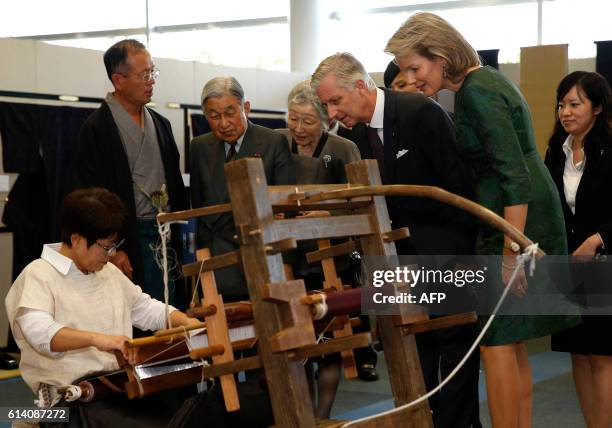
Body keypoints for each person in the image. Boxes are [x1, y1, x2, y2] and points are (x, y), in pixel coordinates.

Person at [386, 12, 580, 428]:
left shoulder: (477, 91)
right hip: (512, 220)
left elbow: (514, 175)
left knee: (494, 344)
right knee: (508, 344)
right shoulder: (482, 83)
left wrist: (513, 250)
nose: (413, 79)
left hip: (516, 223)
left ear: (440, 56)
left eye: (415, 68)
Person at [311, 53, 480, 428]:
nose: (332, 113)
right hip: (397, 267)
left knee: (455, 369)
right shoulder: (353, 135)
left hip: (448, 261)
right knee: (413, 366)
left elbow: (462, 190)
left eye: (335, 101)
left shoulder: (420, 112)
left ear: (360, 86)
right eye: (326, 105)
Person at [5, 187, 200, 426]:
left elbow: (145, 308)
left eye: (114, 246)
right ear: (76, 240)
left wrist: (186, 323)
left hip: (117, 393)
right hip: (66, 406)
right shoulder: (38, 275)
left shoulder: (107, 273)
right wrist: (99, 340)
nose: (112, 253)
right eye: (105, 247)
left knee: (188, 417)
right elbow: (40, 332)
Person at [73, 39, 188, 307]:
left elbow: (176, 185)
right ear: (118, 80)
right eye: (144, 74)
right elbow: (89, 197)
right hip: (126, 238)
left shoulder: (161, 124)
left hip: (166, 233)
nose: (151, 81)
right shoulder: (96, 129)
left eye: (153, 72)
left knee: (172, 304)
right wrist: (112, 248)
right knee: (136, 311)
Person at [276, 79, 360, 418]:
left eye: (307, 121)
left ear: (327, 120)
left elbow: (362, 200)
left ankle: (322, 415)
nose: (298, 128)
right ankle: (302, 415)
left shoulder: (343, 149)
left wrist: (331, 211)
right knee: (297, 345)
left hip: (330, 260)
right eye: (293, 118)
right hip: (288, 257)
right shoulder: (278, 144)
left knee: (328, 345)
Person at [545, 71, 612, 428]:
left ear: (597, 108)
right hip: (567, 264)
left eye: (575, 104)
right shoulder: (557, 150)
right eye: (561, 104)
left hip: (603, 263)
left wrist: (599, 237)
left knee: (602, 356)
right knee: (578, 353)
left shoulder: (610, 148)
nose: (565, 112)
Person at [190, 76, 294, 301]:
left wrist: (285, 262)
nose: (223, 123)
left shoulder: (273, 142)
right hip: (215, 257)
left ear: (246, 107)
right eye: (214, 116)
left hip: (259, 251)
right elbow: (197, 208)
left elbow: (286, 208)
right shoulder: (199, 147)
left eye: (230, 113)